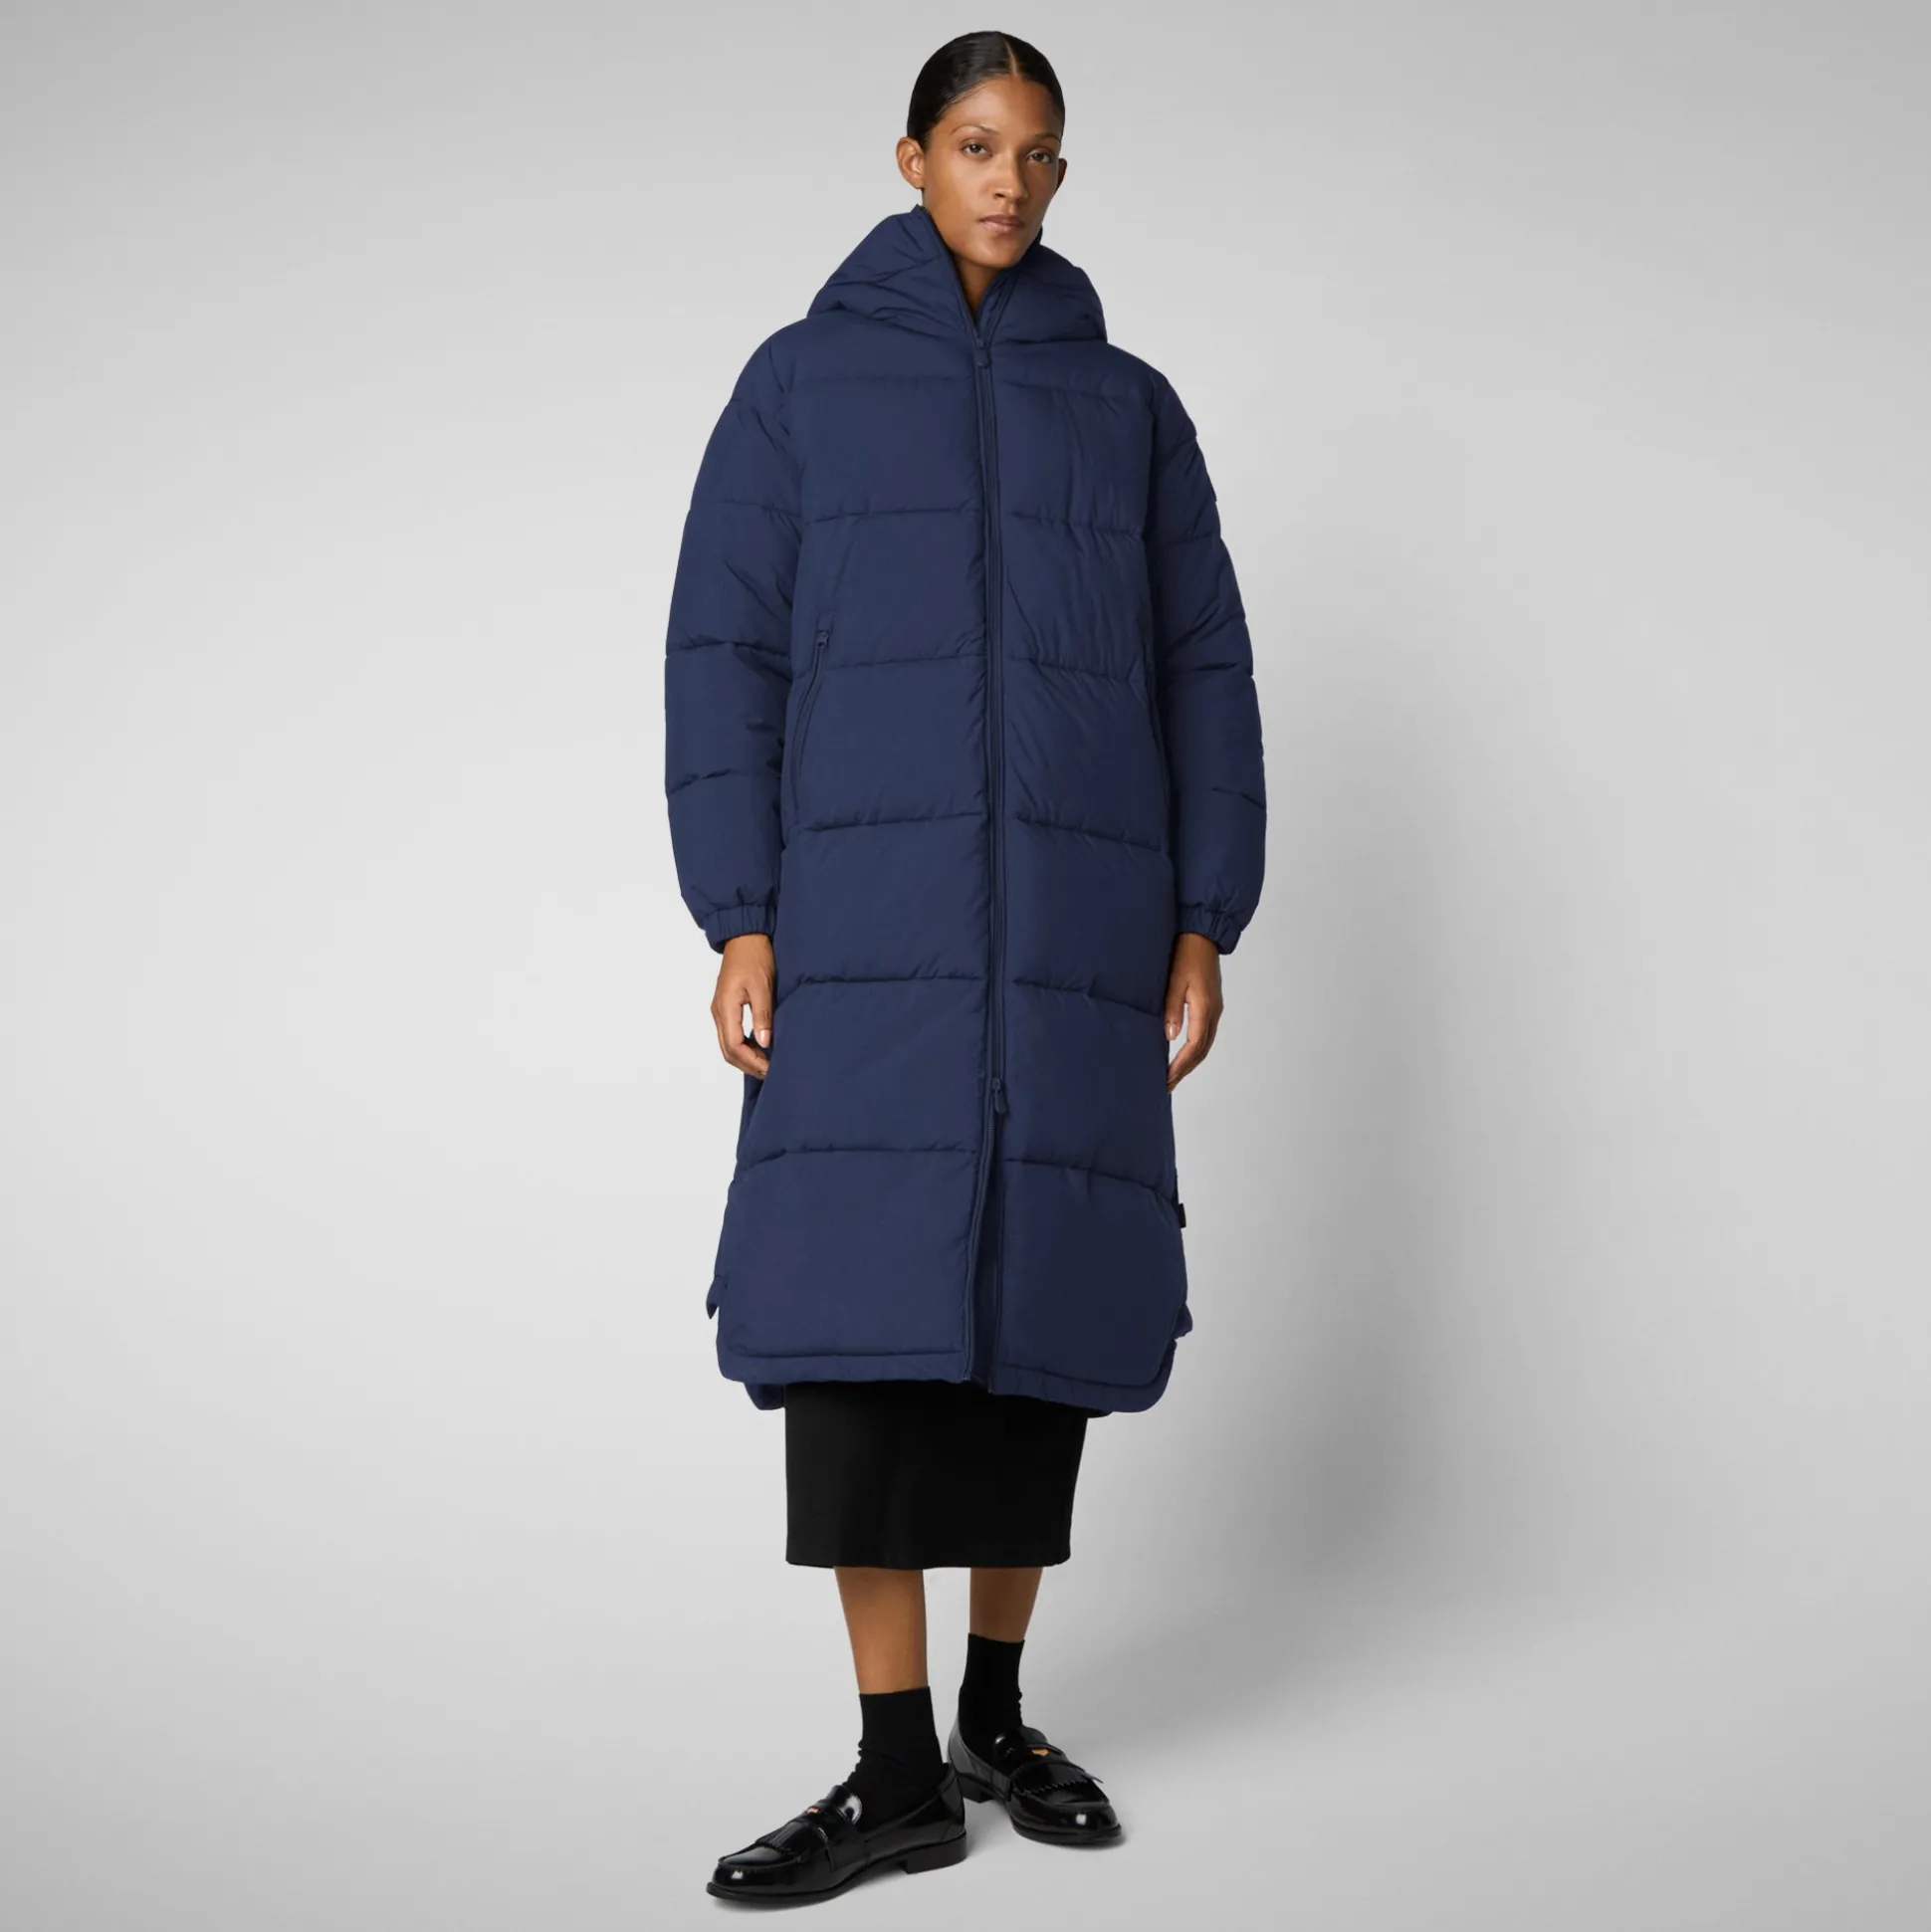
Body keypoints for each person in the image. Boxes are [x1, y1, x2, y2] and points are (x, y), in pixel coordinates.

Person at [664, 30, 1266, 1905]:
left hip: (1078, 937)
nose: (1009, 181)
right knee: (856, 1338)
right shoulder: (798, 386)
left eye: (1039, 153)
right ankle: (894, 1767)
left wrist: (1206, 910)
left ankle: (998, 1717)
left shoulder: (1129, 409)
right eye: (978, 145)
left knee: (1037, 1329)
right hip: (864, 939)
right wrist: (738, 910)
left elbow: (1203, 666)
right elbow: (724, 653)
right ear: (912, 156)